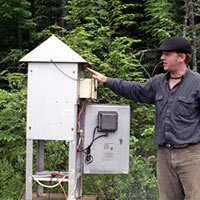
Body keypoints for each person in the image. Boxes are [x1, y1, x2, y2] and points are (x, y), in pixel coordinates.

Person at [87, 36, 200, 200]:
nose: (162, 58)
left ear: (182, 57)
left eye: (167, 54)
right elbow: (135, 90)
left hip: (191, 154)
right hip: (164, 154)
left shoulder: (197, 83)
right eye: (162, 54)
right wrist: (107, 81)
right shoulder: (158, 83)